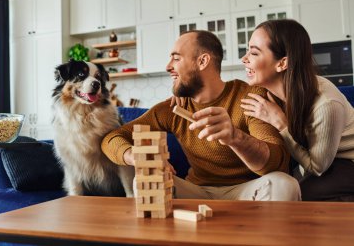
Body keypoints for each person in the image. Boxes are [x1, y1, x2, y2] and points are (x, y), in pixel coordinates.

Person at [101, 30, 300, 201]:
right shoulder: (172, 109)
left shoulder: (250, 97)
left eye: (176, 58)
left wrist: (235, 137)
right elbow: (111, 139)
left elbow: (277, 164)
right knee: (146, 179)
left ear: (203, 61)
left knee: (285, 184)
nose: (168, 66)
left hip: (246, 190)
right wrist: (135, 156)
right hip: (196, 191)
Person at [240, 19, 354, 201]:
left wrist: (280, 123)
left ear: (282, 63)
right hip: (320, 161)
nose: (244, 59)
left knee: (298, 192)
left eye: (254, 52)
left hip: (346, 161)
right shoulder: (269, 92)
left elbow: (317, 167)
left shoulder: (326, 104)